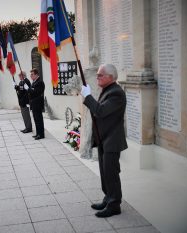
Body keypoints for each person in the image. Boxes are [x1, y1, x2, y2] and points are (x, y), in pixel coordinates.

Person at [80, 64, 128, 218]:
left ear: (111, 77)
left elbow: (100, 111)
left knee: (111, 174)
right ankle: (108, 199)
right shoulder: (107, 90)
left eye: (101, 75)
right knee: (105, 172)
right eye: (98, 74)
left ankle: (114, 205)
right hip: (104, 139)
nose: (97, 77)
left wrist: (88, 96)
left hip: (112, 140)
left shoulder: (117, 93)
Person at [25, 68, 45, 140]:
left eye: (32, 74)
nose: (31, 76)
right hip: (33, 103)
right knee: (36, 119)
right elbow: (31, 92)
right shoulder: (34, 82)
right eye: (30, 74)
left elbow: (36, 92)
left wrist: (28, 89)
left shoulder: (40, 82)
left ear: (36, 74)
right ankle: (38, 133)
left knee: (39, 119)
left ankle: (41, 134)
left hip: (37, 103)